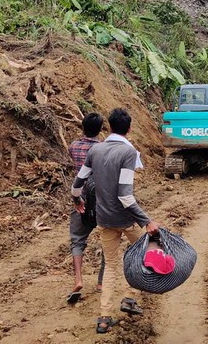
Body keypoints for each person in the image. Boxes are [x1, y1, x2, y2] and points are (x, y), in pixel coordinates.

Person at [71, 108, 160, 334]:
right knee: (145, 252)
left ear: (108, 127)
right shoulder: (128, 153)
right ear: (129, 129)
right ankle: (131, 297)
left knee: (110, 266)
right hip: (126, 218)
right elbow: (125, 195)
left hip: (104, 218)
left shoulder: (96, 150)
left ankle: (103, 318)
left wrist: (76, 201)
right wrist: (146, 221)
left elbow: (77, 183)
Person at [66, 112, 105, 305]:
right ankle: (101, 282)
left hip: (80, 198)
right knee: (109, 238)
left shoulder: (73, 146)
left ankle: (79, 279)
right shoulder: (103, 149)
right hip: (101, 200)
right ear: (100, 129)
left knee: (77, 240)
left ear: (82, 127)